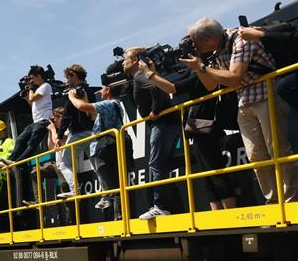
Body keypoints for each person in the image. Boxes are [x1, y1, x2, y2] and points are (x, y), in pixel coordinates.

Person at [183, 17, 298, 203]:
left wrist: (202, 66)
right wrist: (198, 68)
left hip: (266, 96)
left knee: (278, 151)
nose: (193, 46)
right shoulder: (217, 50)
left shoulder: (240, 38)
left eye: (194, 42)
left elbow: (235, 77)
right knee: (256, 156)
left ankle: (291, 201)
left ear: (207, 39)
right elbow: (211, 85)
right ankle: (274, 201)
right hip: (244, 102)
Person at [138, 63, 236, 211]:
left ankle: (231, 214)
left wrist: (148, 73)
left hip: (207, 123)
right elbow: (172, 82)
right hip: (196, 126)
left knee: (214, 171)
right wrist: (154, 71)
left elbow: (172, 88)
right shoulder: (192, 71)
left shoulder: (203, 71)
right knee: (206, 176)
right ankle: (218, 216)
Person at [125, 47, 182, 219]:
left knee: (156, 165)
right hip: (168, 123)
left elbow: (158, 89)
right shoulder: (142, 75)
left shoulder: (140, 75)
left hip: (163, 124)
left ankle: (161, 206)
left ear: (135, 61)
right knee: (165, 164)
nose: (122, 62)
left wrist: (155, 111)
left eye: (126, 58)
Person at [68, 85, 127, 219]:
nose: (100, 91)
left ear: (108, 90)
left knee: (114, 186)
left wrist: (71, 96)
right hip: (109, 147)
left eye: (102, 88)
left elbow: (82, 107)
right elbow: (92, 116)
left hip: (104, 149)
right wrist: (85, 98)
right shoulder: (114, 105)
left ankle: (120, 219)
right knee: (113, 185)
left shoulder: (109, 103)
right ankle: (116, 214)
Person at [8, 65, 53, 203]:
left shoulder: (45, 86)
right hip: (35, 121)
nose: (31, 81)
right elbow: (32, 104)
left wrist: (30, 89)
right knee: (21, 139)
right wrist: (25, 97)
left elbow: (33, 98)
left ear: (39, 76)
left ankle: (17, 163)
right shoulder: (37, 90)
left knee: (32, 143)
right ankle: (11, 159)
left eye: (32, 78)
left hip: (44, 121)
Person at [53, 64, 94, 198]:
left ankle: (74, 189)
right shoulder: (90, 91)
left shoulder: (73, 94)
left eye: (68, 78)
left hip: (78, 133)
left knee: (64, 164)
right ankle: (107, 192)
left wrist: (59, 136)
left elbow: (66, 116)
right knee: (96, 164)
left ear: (74, 76)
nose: (67, 82)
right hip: (92, 132)